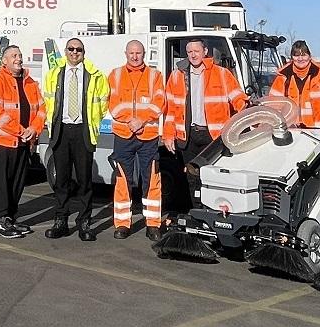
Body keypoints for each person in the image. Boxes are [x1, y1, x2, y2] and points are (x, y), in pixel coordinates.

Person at [163, 39, 248, 211]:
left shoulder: (221, 74)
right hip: (188, 137)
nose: (193, 55)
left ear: (205, 51)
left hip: (214, 137)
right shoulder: (177, 76)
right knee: (192, 177)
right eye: (190, 52)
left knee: (216, 177)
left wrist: (247, 115)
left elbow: (238, 99)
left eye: (197, 51)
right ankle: (197, 212)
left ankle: (216, 211)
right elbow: (170, 109)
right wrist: (168, 135)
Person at [43, 37, 109, 240]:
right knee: (61, 180)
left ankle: (85, 223)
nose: (74, 52)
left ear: (83, 52)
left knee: (85, 182)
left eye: (78, 49)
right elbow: (46, 101)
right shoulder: (54, 74)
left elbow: (103, 101)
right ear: (65, 51)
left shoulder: (95, 75)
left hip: (83, 131)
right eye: (71, 49)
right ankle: (60, 220)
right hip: (61, 130)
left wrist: (93, 123)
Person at [107, 39, 167, 238]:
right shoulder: (115, 75)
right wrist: (130, 120)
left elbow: (160, 103)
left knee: (152, 180)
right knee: (123, 179)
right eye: (131, 53)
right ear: (126, 54)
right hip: (123, 135)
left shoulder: (154, 75)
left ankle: (153, 224)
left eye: (138, 53)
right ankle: (123, 224)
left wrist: (141, 120)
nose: (135, 57)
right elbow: (113, 104)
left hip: (148, 136)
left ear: (144, 54)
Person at [0, 45, 45, 237]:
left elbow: (41, 109)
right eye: (13, 56)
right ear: (4, 61)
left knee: (18, 183)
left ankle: (10, 217)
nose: (18, 59)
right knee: (2, 183)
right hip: (2, 142)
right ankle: (0, 221)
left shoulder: (30, 83)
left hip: (24, 142)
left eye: (19, 55)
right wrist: (20, 131)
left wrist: (34, 129)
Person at [269, 41, 320, 130]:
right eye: (296, 55)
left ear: (309, 56)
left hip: (319, 130)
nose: (300, 59)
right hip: (291, 131)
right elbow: (272, 104)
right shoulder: (282, 78)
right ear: (292, 58)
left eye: (304, 55)